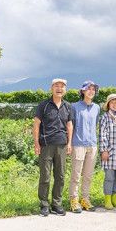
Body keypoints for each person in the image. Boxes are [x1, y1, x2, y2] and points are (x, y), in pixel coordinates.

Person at [32, 78, 74, 216]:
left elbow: (69, 125)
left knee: (60, 176)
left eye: (62, 86)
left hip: (62, 145)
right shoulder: (43, 105)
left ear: (65, 90)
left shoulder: (68, 106)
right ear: (51, 88)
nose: (59, 88)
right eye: (56, 86)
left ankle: (57, 204)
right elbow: (36, 124)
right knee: (45, 176)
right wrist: (36, 143)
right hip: (46, 145)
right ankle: (44, 204)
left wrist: (69, 143)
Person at [69, 80, 100, 213]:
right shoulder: (74, 106)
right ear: (82, 91)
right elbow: (71, 125)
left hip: (92, 145)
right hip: (78, 144)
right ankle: (73, 199)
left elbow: (95, 124)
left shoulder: (97, 107)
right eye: (88, 89)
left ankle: (85, 199)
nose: (91, 91)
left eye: (93, 89)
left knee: (88, 175)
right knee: (76, 174)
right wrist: (69, 143)